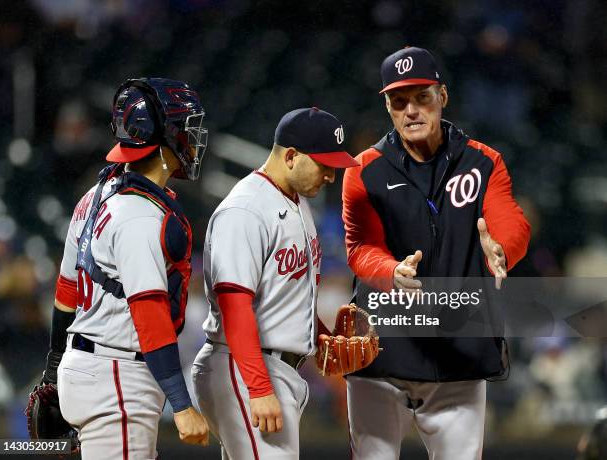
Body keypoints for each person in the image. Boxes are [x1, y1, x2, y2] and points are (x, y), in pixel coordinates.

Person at [342, 47, 531, 459]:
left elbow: (510, 221)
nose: (411, 110)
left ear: (442, 96)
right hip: (383, 351)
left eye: (421, 97)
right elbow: (360, 247)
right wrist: (390, 271)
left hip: (458, 354)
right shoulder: (364, 169)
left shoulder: (483, 162)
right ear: (387, 107)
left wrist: (502, 249)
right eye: (399, 101)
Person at [39, 78, 210, 459]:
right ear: (164, 137)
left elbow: (66, 292)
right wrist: (181, 405)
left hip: (88, 364)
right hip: (117, 374)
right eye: (184, 128)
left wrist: (53, 368)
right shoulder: (139, 215)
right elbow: (149, 316)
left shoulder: (96, 194)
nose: (192, 139)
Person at [192, 107, 358, 459]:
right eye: (324, 164)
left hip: (271, 368)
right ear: (292, 156)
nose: (331, 175)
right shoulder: (246, 209)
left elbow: (288, 294)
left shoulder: (296, 203)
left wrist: (323, 336)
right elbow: (234, 305)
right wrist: (259, 386)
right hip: (245, 368)